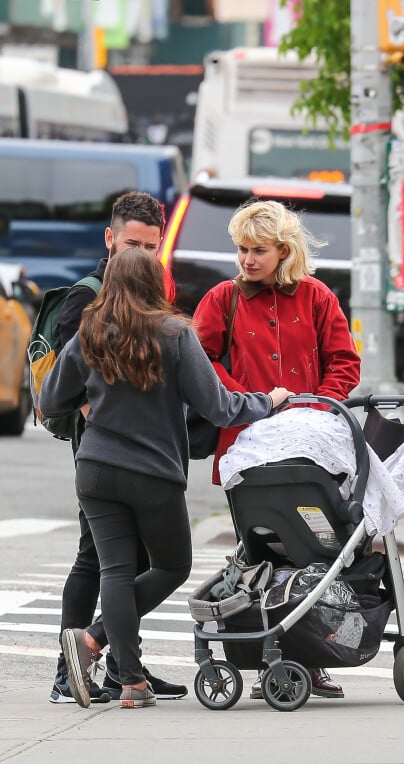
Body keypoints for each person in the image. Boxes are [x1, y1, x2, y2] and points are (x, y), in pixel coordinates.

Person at [39, 247, 293, 709]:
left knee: (114, 571)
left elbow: (50, 399)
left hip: (95, 470)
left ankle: (131, 681)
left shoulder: (89, 334)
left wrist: (87, 403)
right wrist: (268, 401)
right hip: (153, 474)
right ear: (157, 285)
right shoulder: (175, 334)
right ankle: (94, 641)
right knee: (172, 566)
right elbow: (218, 406)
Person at [193, 199, 361, 699]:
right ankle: (271, 651)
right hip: (249, 446)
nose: (246, 259)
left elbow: (344, 363)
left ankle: (310, 655)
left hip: (310, 449)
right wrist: (247, 401)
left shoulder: (316, 297)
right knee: (263, 550)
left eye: (257, 250)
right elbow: (198, 363)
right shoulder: (224, 297)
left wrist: (318, 407)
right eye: (241, 249)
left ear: (283, 251)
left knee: (314, 553)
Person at [50, 191, 183, 704]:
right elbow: (63, 387)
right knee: (97, 559)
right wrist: (108, 416)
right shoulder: (87, 300)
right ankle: (71, 667)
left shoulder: (151, 295)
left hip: (134, 458)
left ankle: (126, 667)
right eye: (133, 244)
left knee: (134, 559)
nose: (142, 256)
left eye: (152, 246)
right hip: (102, 455)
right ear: (110, 239)